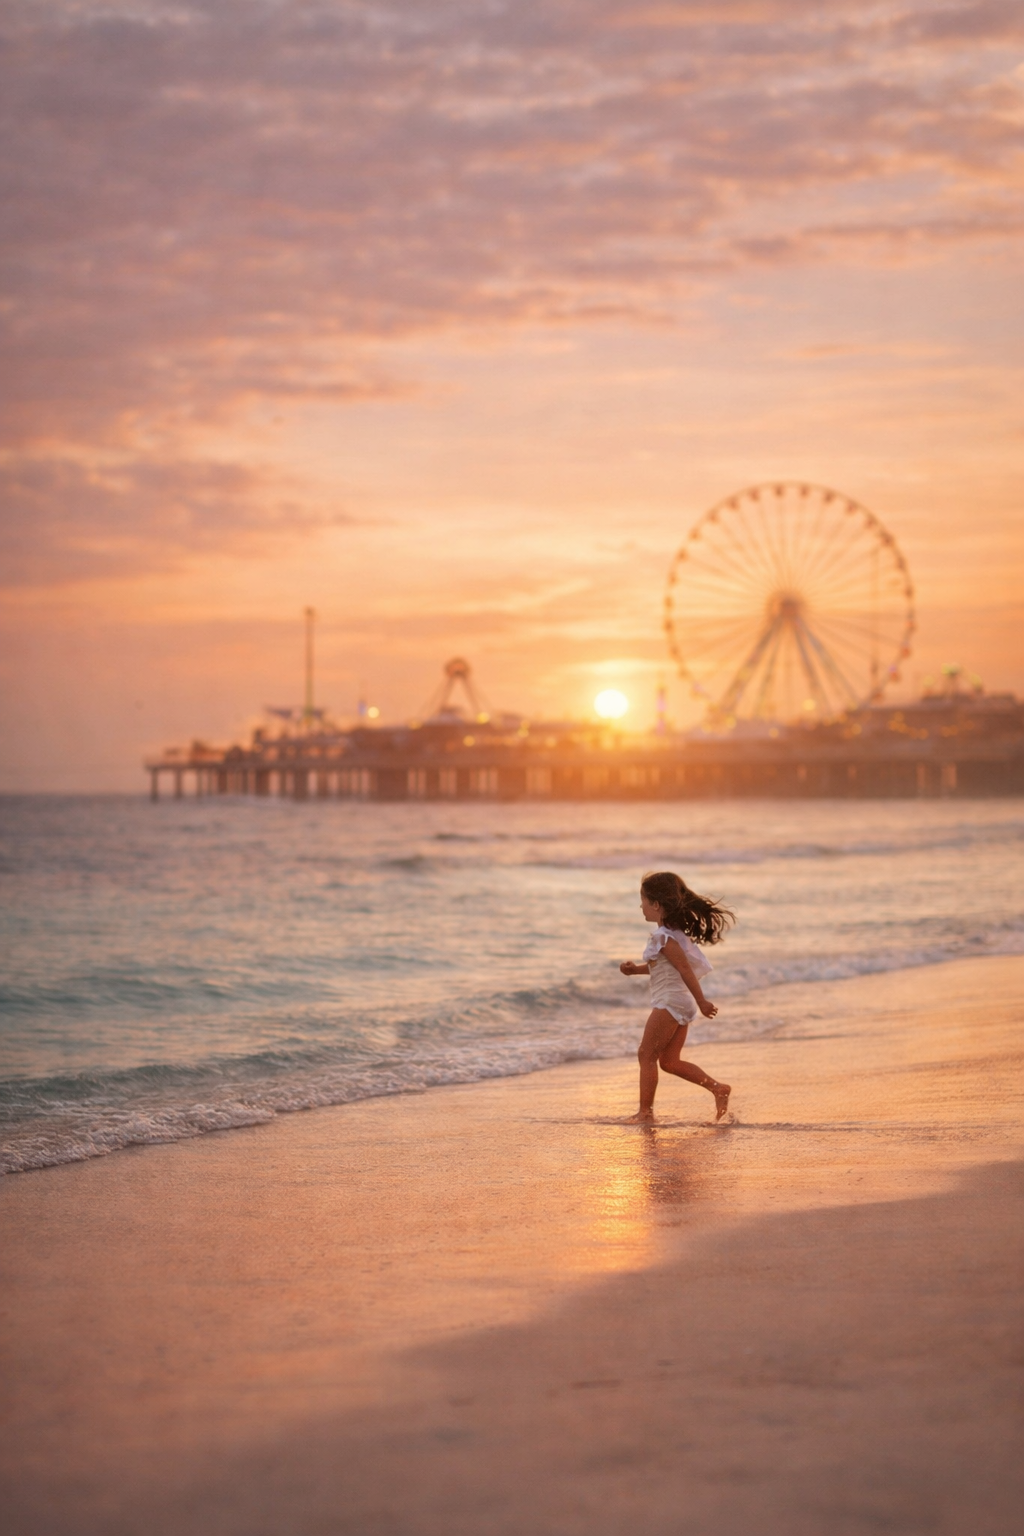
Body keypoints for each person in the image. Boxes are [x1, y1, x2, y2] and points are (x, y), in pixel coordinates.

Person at [619, 870, 734, 1122]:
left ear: (657, 905)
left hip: (670, 1002)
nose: (641, 906)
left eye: (644, 900)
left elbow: (684, 969)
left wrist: (703, 1001)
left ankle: (645, 1113)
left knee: (645, 1054)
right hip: (680, 1002)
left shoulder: (664, 937)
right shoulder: (674, 935)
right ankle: (718, 1088)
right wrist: (634, 970)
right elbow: (663, 967)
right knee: (669, 1062)